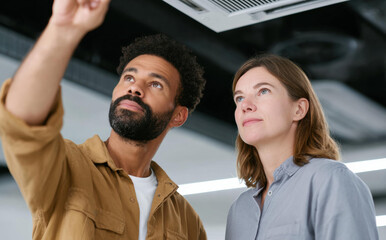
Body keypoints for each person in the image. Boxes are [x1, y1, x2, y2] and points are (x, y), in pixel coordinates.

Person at [0, 0, 207, 239]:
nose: (135, 88)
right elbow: (22, 123)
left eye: (155, 84)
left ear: (178, 115)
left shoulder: (186, 219)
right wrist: (62, 30)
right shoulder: (66, 168)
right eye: (129, 78)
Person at [225, 54, 379, 240]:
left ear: (299, 109)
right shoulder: (239, 210)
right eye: (239, 98)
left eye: (263, 91)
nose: (245, 106)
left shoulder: (329, 179)